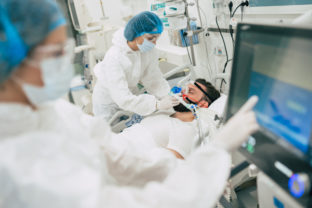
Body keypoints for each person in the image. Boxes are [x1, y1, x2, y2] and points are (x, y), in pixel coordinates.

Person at [0, 0, 260, 207]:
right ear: (14, 59)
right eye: (57, 53)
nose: (65, 63)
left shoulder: (53, 112)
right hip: (117, 107)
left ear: (204, 104)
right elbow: (151, 200)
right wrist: (214, 154)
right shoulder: (19, 167)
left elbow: (119, 154)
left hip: (141, 140)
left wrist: (165, 99)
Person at [92, 11, 178, 122]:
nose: (154, 43)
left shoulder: (148, 51)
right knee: (109, 135)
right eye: (151, 38)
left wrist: (167, 95)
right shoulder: (115, 57)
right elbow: (122, 98)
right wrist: (156, 104)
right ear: (135, 35)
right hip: (108, 104)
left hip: (130, 97)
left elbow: (154, 79)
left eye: (156, 38)